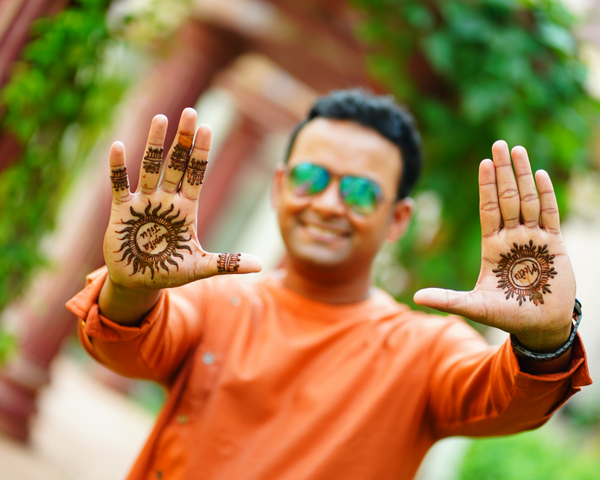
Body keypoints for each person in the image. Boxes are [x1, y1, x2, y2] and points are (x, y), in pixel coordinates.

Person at [67, 89, 591, 480]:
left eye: (361, 192)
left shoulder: (423, 349)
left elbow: (506, 400)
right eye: (311, 178)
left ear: (397, 220)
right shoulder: (217, 300)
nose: (329, 203)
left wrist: (545, 342)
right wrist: (133, 286)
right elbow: (127, 347)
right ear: (279, 186)